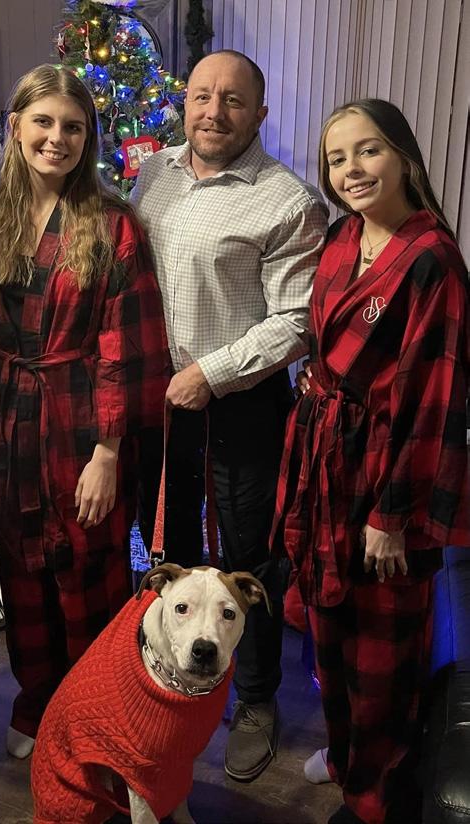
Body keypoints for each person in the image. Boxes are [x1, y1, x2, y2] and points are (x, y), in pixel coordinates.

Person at [131, 49, 328, 782]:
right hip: (159, 404)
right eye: (201, 96)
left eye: (234, 100)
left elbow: (295, 321)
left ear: (260, 114)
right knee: (172, 548)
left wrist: (208, 375)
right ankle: (173, 680)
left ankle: (253, 699)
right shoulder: (153, 173)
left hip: (240, 406)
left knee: (247, 560)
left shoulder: (288, 201)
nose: (214, 112)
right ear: (184, 103)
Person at [271, 99, 470, 824]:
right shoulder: (341, 236)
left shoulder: (432, 261)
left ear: (404, 158)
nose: (351, 169)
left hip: (387, 474)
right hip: (325, 458)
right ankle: (345, 751)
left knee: (381, 647)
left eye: (368, 150)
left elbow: (433, 404)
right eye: (336, 158)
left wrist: (392, 517)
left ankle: (374, 797)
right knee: (331, 625)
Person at [0, 64, 170, 759]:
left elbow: (124, 348)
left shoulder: (113, 225)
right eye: (43, 122)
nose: (56, 138)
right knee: (21, 565)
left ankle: (94, 711)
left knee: (89, 569)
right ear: (15, 127)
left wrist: (107, 452)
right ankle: (37, 700)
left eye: (73, 127)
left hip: (82, 424)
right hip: (6, 424)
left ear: (89, 138)